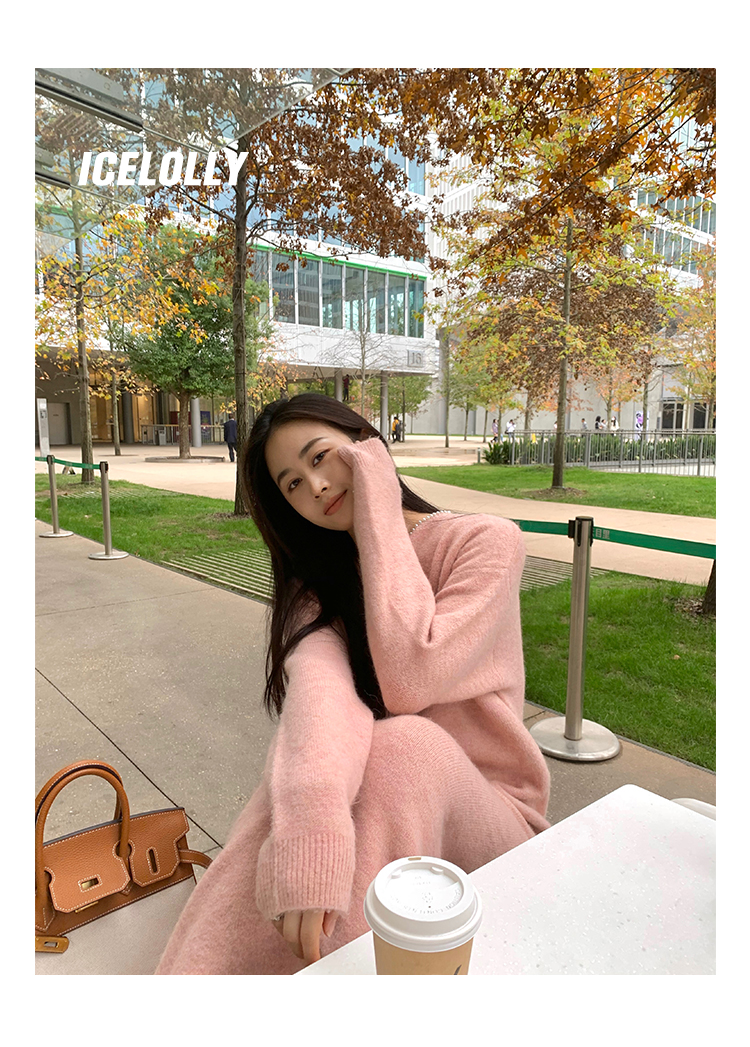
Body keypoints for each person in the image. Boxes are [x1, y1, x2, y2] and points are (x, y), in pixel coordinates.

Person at [155, 394, 551, 975]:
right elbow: (322, 702)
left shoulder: (484, 542)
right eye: (292, 485)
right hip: (394, 799)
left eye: (321, 456)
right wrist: (305, 834)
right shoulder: (318, 587)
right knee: (285, 807)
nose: (315, 487)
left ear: (367, 445)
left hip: (495, 815)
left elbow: (412, 675)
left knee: (403, 745)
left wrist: (378, 514)